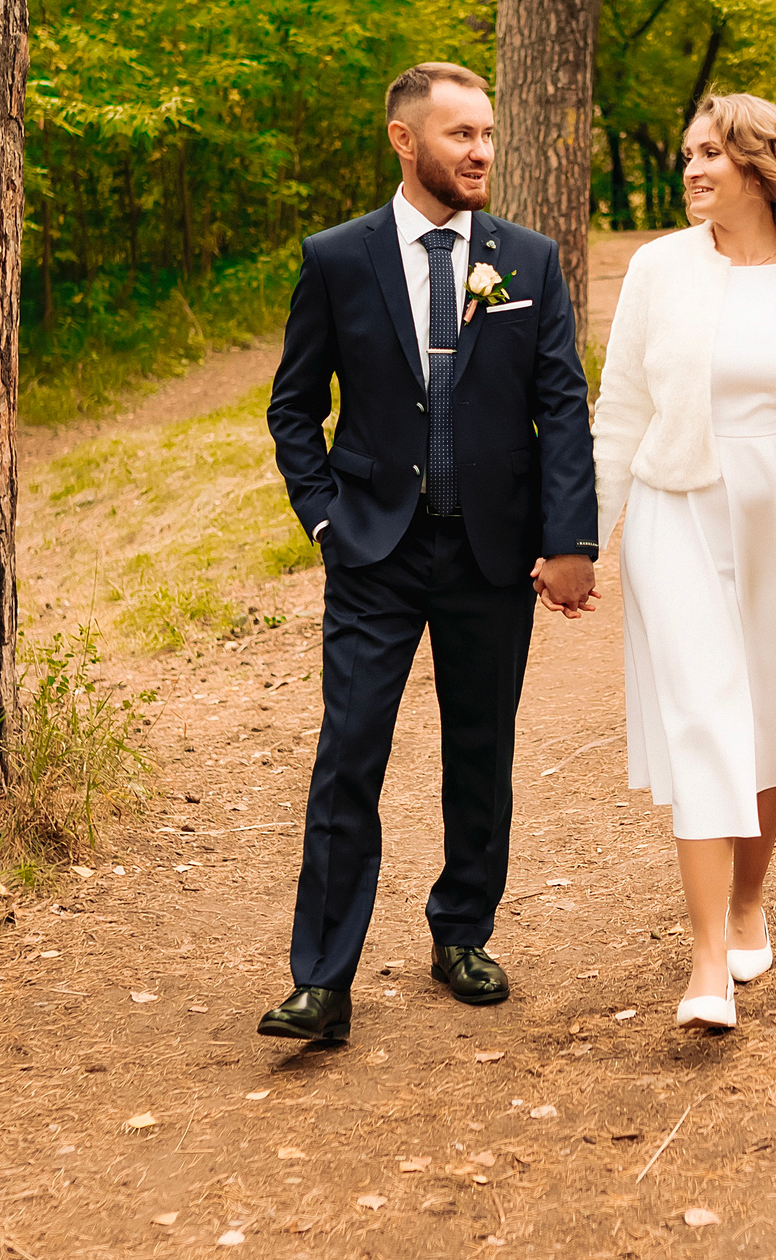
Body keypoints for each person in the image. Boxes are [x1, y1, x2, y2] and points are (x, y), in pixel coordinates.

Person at [258, 62, 601, 1045]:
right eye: (460, 134)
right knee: (348, 753)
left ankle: (461, 930)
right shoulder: (337, 258)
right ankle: (321, 979)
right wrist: (324, 517)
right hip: (374, 549)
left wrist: (567, 538)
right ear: (405, 142)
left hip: (491, 551)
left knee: (479, 751)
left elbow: (560, 408)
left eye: (487, 132)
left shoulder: (526, 262)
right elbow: (294, 404)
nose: (481, 150)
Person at [590, 93, 776, 1032]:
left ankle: (751, 900)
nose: (692, 169)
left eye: (711, 153)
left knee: (768, 710)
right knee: (707, 717)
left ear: (762, 164)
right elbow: (622, 410)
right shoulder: (657, 270)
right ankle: (707, 957)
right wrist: (584, 539)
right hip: (679, 508)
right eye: (686, 154)